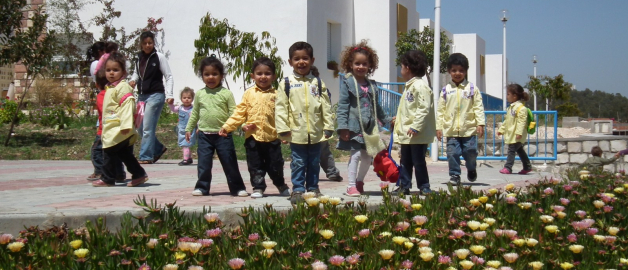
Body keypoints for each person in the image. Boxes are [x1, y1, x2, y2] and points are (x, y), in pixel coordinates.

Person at [219, 57, 291, 199]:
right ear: (253, 76)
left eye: (267, 73)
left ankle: (281, 185)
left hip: (272, 138)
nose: (263, 77)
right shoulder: (249, 94)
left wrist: (285, 135)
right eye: (259, 73)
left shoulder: (278, 95)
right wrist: (228, 126)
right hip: (253, 138)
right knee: (255, 166)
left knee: (275, 165)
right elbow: (240, 113)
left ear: (274, 76)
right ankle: (258, 187)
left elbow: (284, 116)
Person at [275, 41, 334, 204]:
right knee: (299, 162)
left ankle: (313, 188)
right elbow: (281, 108)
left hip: (315, 132)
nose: (301, 62)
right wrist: (283, 129)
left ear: (312, 60)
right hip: (296, 132)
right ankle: (298, 190)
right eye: (296, 59)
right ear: (290, 62)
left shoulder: (318, 83)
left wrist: (328, 126)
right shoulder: (286, 83)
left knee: (314, 162)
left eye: (305, 58)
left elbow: (326, 106)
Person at [186, 55, 248, 197]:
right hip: (204, 135)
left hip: (223, 135)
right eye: (206, 74)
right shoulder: (200, 94)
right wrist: (189, 128)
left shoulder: (226, 94)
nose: (211, 77)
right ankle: (202, 187)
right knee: (204, 164)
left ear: (221, 76)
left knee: (229, 162)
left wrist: (242, 124)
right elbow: (194, 113)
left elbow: (234, 112)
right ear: (202, 76)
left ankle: (237, 188)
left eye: (215, 74)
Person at [336, 41, 393, 197]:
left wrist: (388, 120)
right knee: (355, 155)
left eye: (364, 64)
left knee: (367, 157)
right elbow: (343, 107)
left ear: (370, 65)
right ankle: (351, 185)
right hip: (354, 127)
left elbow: (378, 108)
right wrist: (343, 127)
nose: (360, 67)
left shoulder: (372, 85)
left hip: (369, 128)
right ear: (350, 64)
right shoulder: (348, 84)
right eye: (357, 63)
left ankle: (360, 181)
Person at [92, 52, 148, 187]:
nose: (111, 73)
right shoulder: (111, 87)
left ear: (123, 71)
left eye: (115, 70)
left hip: (120, 128)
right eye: (108, 70)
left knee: (109, 151)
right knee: (123, 153)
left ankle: (107, 178)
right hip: (112, 128)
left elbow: (128, 105)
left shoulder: (122, 87)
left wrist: (126, 125)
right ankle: (139, 174)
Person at [436, 53, 486, 185]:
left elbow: (478, 107)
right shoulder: (445, 91)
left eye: (461, 70)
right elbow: (440, 110)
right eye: (454, 70)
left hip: (468, 129)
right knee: (452, 153)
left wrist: (480, 123)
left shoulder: (472, 89)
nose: (457, 73)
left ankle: (471, 168)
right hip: (451, 130)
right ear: (449, 71)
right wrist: (439, 127)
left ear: (466, 71)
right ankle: (455, 175)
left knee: (470, 152)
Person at [393, 50, 436, 195]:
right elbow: (407, 110)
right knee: (405, 161)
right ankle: (404, 186)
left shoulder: (420, 86)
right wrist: (397, 120)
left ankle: (424, 186)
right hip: (407, 134)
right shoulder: (409, 86)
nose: (401, 69)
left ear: (408, 68)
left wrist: (416, 126)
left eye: (402, 66)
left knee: (418, 162)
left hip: (416, 134)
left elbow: (423, 108)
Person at [129, 31, 174, 164]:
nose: (148, 45)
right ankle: (158, 148)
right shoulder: (138, 58)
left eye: (150, 43)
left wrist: (170, 94)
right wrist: (132, 81)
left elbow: (169, 76)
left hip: (156, 95)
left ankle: (146, 156)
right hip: (142, 96)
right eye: (145, 43)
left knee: (148, 127)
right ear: (141, 45)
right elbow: (136, 74)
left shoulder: (159, 57)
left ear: (153, 43)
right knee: (140, 127)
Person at [498, 84, 532, 174]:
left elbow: (522, 122)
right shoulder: (511, 108)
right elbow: (507, 120)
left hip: (517, 135)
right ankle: (527, 166)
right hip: (512, 134)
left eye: (508, 94)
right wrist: (501, 129)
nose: (507, 96)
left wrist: (519, 133)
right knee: (519, 150)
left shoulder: (521, 108)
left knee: (511, 150)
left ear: (515, 96)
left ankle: (508, 167)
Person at [86, 41, 107, 181]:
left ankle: (100, 171)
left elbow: (102, 115)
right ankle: (118, 173)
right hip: (111, 127)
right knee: (113, 152)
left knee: (96, 150)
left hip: (104, 128)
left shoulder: (102, 96)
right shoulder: (114, 93)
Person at [168, 87, 197, 166]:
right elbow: (173, 109)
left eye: (189, 98)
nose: (186, 99)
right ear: (181, 99)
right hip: (181, 130)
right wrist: (170, 104)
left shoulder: (193, 109)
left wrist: (198, 127)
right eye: (184, 98)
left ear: (192, 99)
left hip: (190, 130)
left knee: (186, 144)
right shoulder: (180, 108)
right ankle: (189, 158)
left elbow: (197, 118)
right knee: (185, 144)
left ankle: (185, 159)